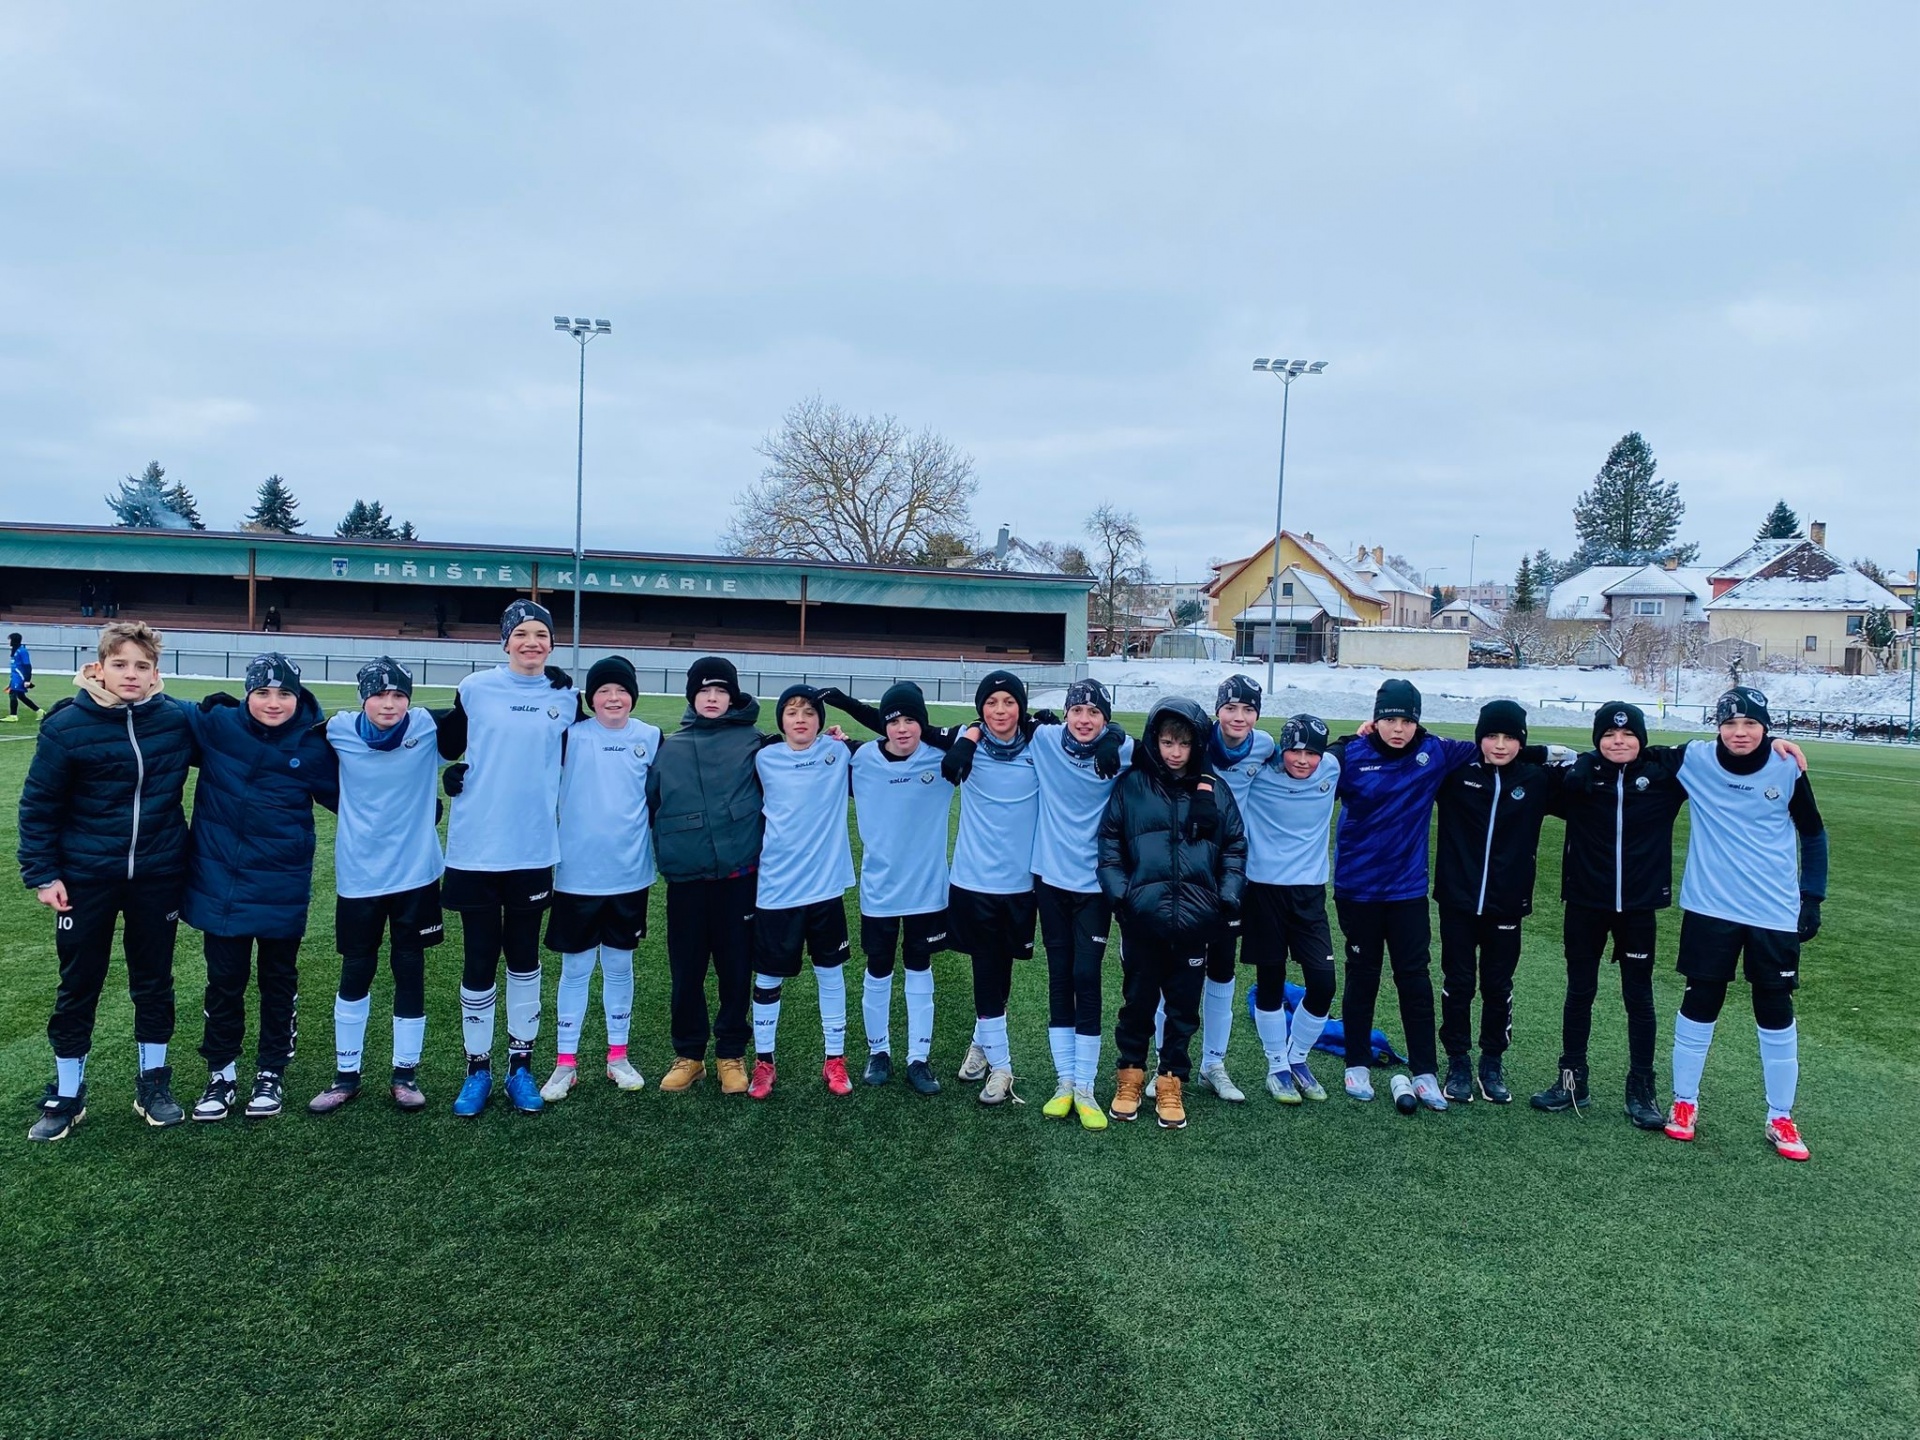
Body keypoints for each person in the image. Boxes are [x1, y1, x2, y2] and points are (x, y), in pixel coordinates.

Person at [1531, 702, 1805, 1126]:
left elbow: (1721, 755)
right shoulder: (1576, 779)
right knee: (1579, 992)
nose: (1618, 741)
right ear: (1596, 739)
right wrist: (1579, 760)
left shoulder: (1663, 777)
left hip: (1640, 907)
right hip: (1585, 903)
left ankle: (1642, 1088)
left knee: (1639, 997)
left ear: (1641, 739)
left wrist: (1772, 743)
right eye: (1607, 735)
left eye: (1628, 734)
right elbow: (1513, 760)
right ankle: (1571, 1080)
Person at [18, 622, 194, 1141]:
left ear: (155, 672)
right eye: (120, 664)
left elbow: (240, 737)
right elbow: (39, 806)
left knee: (154, 981)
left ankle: (153, 1084)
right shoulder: (66, 726)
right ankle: (67, 1093)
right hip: (85, 879)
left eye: (142, 665)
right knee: (79, 984)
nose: (131, 674)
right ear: (99, 668)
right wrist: (43, 873)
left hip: (158, 875)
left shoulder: (175, 720)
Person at [1664, 687, 1827, 1161]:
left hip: (1773, 911)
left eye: (1751, 724)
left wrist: (1812, 897)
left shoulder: (1786, 766)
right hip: (1710, 907)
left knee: (1773, 1006)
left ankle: (1780, 1115)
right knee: (1701, 1000)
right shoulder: (1693, 759)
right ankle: (1684, 1103)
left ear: (1766, 727)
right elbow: (1628, 752)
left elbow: (1814, 833)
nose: (1740, 733)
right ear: (1717, 726)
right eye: (1730, 724)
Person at [183, 654, 340, 1122]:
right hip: (222, 886)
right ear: (247, 694)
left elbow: (358, 796)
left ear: (298, 696)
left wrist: (417, 810)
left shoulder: (314, 744)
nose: (274, 703)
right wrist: (81, 704)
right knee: (224, 983)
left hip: (281, 885)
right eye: (262, 693)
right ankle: (221, 1073)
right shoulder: (217, 725)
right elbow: (150, 711)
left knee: (278, 982)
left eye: (285, 693)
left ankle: (271, 1071)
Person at [438, 600, 576, 1117]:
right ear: (505, 642)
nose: (531, 643)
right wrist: (451, 773)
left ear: (552, 644)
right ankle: (477, 1069)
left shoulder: (565, 697)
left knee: (523, 957)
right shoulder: (475, 688)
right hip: (477, 846)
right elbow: (444, 744)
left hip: (532, 846)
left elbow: (595, 744)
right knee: (479, 957)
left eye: (541, 634)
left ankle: (521, 1067)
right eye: (521, 634)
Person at [1332, 679, 1484, 1113]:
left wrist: (1548, 753)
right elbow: (1306, 764)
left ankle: (1425, 1071)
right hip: (1357, 888)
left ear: (1418, 722)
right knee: (1362, 975)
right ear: (1375, 719)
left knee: (1414, 978)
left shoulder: (1434, 752)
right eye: (1389, 720)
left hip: (1407, 892)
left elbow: (1494, 747)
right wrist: (1343, 740)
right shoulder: (1351, 755)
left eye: (1406, 720)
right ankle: (1356, 1063)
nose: (1398, 729)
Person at [1099, 698, 1247, 1129]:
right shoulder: (1131, 786)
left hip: (1196, 923)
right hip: (1142, 920)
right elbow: (1110, 844)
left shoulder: (1216, 790)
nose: (1175, 752)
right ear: (1154, 741)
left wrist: (1225, 896)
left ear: (1197, 745)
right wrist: (1122, 897)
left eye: (1184, 744)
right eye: (1167, 743)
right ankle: (1129, 1078)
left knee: (1182, 1010)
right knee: (1137, 1005)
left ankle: (1170, 1083)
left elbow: (1235, 847)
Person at [308, 658, 446, 1114]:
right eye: (379, 695)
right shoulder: (337, 731)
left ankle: (405, 1075)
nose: (389, 704)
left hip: (416, 874)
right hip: (360, 874)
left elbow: (486, 727)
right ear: (363, 698)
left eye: (399, 695)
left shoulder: (426, 726)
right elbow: (293, 746)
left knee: (409, 968)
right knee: (356, 969)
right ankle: (346, 1076)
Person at [1433, 700, 1571, 1106]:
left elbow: (1585, 766)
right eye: (1491, 736)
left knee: (1498, 985)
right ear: (1479, 738)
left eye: (1510, 738)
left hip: (1508, 902)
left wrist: (1536, 753)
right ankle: (1458, 1061)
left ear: (1521, 742)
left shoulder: (1536, 779)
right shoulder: (1456, 774)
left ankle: (1491, 1063)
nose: (1499, 745)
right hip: (1458, 900)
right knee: (1458, 983)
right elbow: (1419, 748)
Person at [818, 681, 953, 1097]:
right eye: (894, 721)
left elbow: (978, 733)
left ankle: (918, 1058)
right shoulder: (860, 759)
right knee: (878, 968)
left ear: (923, 723)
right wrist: (837, 728)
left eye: (911, 720)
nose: (902, 728)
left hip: (927, 890)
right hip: (879, 891)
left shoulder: (943, 760)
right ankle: (879, 1052)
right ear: (883, 725)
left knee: (919, 967)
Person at [539, 657, 660, 1101]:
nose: (613, 698)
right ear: (590, 698)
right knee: (575, 969)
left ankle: (617, 1058)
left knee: (619, 966)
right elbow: (522, 745)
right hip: (576, 876)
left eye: (621, 690)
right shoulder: (571, 735)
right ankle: (565, 1063)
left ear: (633, 696)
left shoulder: (650, 737)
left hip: (630, 876)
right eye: (603, 691)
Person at [645, 657, 764, 1098]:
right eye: (704, 691)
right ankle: (689, 1055)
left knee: (736, 969)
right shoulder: (669, 748)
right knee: (687, 970)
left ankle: (731, 1054)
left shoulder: (754, 743)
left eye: (720, 691)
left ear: (733, 696)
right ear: (692, 696)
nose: (712, 698)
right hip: (687, 881)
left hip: (738, 880)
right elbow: (649, 804)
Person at [746, 684, 856, 1100]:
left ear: (821, 722)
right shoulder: (764, 758)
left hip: (825, 889)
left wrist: (844, 733)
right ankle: (764, 1062)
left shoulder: (838, 754)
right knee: (768, 977)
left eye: (809, 712)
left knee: (831, 974)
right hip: (776, 889)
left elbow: (889, 743)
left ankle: (835, 1059)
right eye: (792, 712)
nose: (800, 719)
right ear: (781, 721)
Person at [941, 671, 1045, 1106]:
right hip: (973, 881)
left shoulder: (1041, 744)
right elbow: (901, 726)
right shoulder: (966, 743)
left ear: (1021, 707)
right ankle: (1002, 1066)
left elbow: (1096, 733)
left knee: (1002, 968)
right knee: (985, 967)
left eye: (1008, 702)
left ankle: (982, 1041)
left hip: (1021, 884)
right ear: (980, 708)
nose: (1000, 711)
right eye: (991, 702)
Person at [1029, 678, 1129, 1129]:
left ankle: (1086, 1087)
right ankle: (1064, 1082)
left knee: (1086, 976)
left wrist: (1116, 736)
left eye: (1095, 713)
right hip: (1050, 879)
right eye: (1077, 711)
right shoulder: (1046, 740)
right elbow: (995, 724)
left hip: (1095, 885)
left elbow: (1168, 746)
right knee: (1059, 976)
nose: (1084, 720)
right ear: (1066, 713)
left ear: (1105, 717)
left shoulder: (1121, 749)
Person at [1240, 713, 1341, 1103]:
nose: (1303, 760)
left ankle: (1298, 1058)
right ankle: (1277, 1067)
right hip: (1262, 891)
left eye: (1312, 753)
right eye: (1295, 751)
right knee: (1270, 981)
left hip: (1309, 895)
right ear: (1282, 749)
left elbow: (1353, 747)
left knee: (1323, 983)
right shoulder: (1260, 771)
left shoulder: (1332, 767)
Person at [6, 632, 40, 721]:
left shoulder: (22, 651)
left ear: (14, 640)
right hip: (15, 677)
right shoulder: (15, 651)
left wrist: (27, 680)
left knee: (13, 693)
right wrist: (11, 681)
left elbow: (28, 666)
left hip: (20, 677)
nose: (8, 642)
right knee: (20, 696)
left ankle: (13, 716)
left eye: (10, 640)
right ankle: (39, 711)